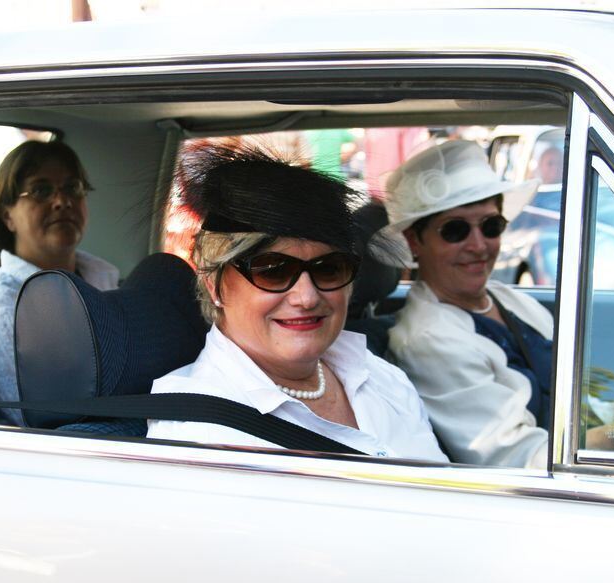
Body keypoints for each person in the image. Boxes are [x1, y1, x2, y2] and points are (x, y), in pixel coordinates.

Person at [381, 139, 614, 467]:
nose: (479, 245)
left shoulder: (507, 300)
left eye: (491, 226)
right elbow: (528, 462)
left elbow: (588, 412)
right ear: (415, 241)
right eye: (455, 230)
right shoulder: (428, 342)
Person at [147, 144, 448, 462]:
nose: (306, 297)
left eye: (329, 268)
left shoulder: (382, 377)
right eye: (273, 271)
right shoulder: (196, 433)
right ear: (215, 285)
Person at [0, 140, 119, 425]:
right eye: (41, 191)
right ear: (7, 215)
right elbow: (28, 416)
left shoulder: (103, 279)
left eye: (73, 188)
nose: (62, 201)